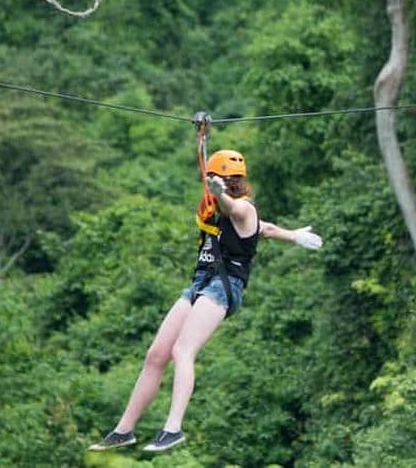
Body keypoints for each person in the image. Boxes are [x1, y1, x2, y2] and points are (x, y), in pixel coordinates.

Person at [88, 149, 322, 453]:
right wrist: (293, 236)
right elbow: (264, 229)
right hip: (200, 283)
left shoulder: (241, 207)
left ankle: (172, 428)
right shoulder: (217, 208)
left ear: (229, 183)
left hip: (224, 287)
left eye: (222, 182)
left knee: (182, 350)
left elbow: (236, 211)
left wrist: (221, 194)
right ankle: (124, 430)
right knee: (156, 354)